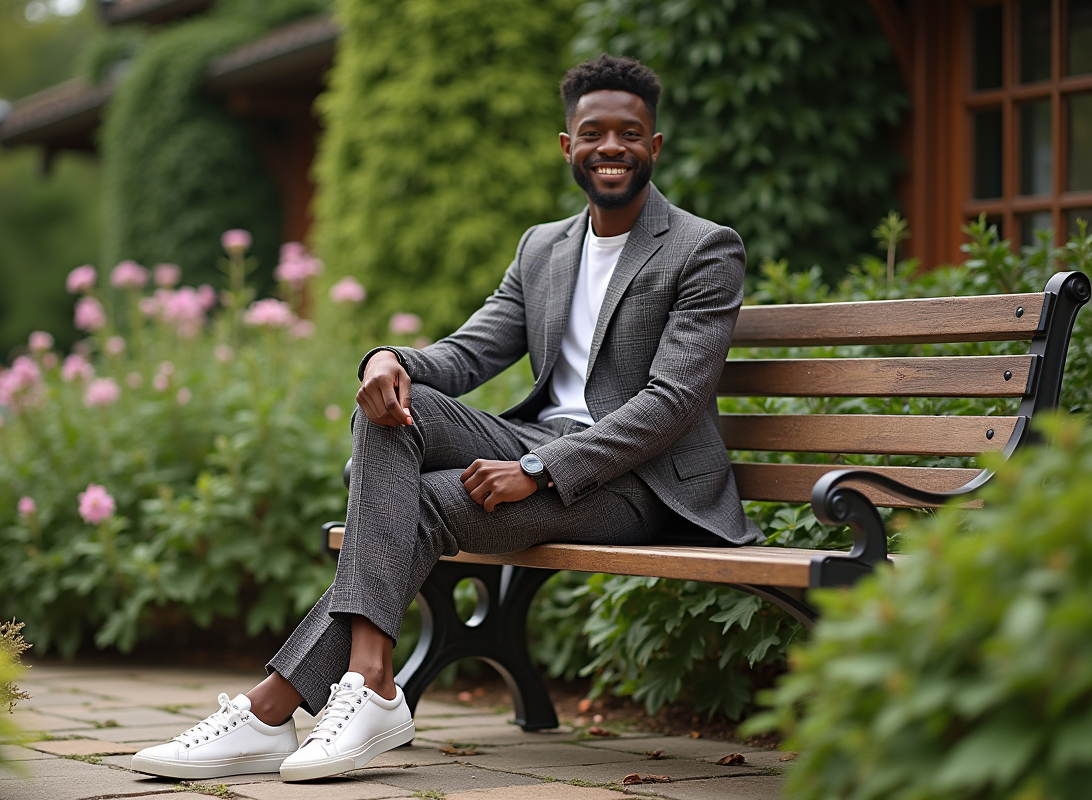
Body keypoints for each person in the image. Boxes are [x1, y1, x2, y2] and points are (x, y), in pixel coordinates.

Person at [131, 53, 760, 783]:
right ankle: (363, 683)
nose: (611, 147)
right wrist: (387, 358)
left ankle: (277, 707)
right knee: (393, 411)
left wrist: (539, 469)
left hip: (640, 483)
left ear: (655, 145)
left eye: (630, 132)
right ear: (568, 146)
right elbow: (467, 353)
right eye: (594, 133)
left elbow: (671, 403)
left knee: (416, 504)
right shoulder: (543, 248)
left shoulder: (703, 248)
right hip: (538, 440)